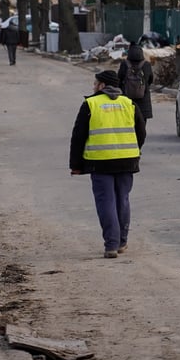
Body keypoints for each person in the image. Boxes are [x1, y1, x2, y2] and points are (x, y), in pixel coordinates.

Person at [69, 70, 146, 258]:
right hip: (127, 160)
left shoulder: (90, 104)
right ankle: (121, 242)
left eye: (95, 83)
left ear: (102, 85)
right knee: (123, 199)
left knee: (106, 202)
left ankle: (111, 244)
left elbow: (78, 137)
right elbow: (141, 132)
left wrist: (76, 165)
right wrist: (133, 151)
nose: (93, 86)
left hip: (100, 162)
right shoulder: (129, 104)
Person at [117, 43, 154, 129]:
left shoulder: (124, 64)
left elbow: (119, 78)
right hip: (143, 98)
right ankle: (140, 137)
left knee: (127, 120)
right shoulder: (146, 65)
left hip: (127, 98)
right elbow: (150, 79)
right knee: (141, 121)